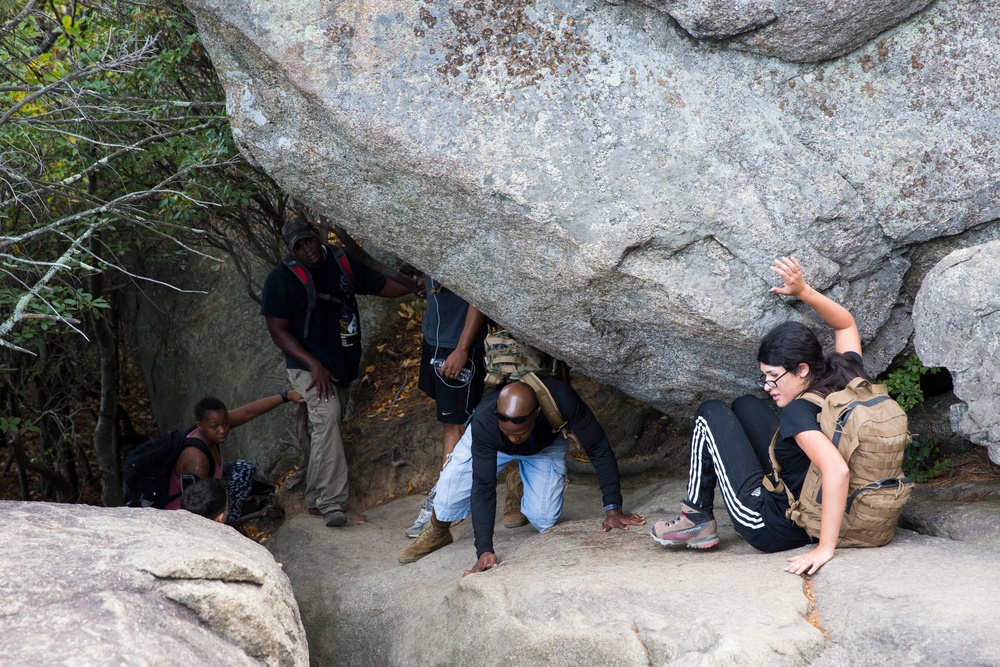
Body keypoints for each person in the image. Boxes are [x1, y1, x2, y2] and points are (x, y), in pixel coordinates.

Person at [650, 256, 860, 576]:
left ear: (802, 369)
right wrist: (803, 291)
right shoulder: (846, 375)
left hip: (772, 527)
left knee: (710, 413)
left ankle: (696, 517)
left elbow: (837, 470)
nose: (768, 385)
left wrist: (825, 547)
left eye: (774, 376)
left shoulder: (798, 413)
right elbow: (845, 324)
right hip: (807, 502)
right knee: (747, 403)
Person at [260, 215, 416, 528]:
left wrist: (416, 288)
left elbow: (380, 285)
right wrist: (313, 364)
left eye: (309, 240)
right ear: (292, 250)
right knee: (328, 414)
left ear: (317, 234)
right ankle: (332, 503)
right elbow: (278, 331)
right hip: (308, 366)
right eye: (299, 247)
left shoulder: (343, 259)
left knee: (327, 424)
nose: (308, 250)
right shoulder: (281, 279)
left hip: (341, 361)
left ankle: (316, 497)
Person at [397, 376, 646, 571]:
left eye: (519, 433)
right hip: (491, 445)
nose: (513, 438)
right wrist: (484, 550)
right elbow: (483, 486)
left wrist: (613, 508)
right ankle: (438, 529)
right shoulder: (485, 421)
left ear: (537, 415)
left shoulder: (562, 399)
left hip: (542, 446)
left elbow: (598, 448)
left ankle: (518, 483)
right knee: (448, 494)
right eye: (508, 432)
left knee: (544, 520)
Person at [405, 276, 518, 538]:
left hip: (457, 345)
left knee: (454, 424)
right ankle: (451, 497)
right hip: (434, 339)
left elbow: (477, 293)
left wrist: (462, 348)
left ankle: (443, 507)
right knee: (455, 420)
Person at [169, 391, 303, 525]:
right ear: (200, 425)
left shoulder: (213, 426)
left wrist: (285, 396)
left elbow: (248, 412)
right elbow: (196, 505)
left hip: (209, 486)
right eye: (215, 427)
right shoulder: (197, 461)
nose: (222, 430)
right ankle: (229, 522)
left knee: (243, 469)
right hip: (183, 513)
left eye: (226, 424)